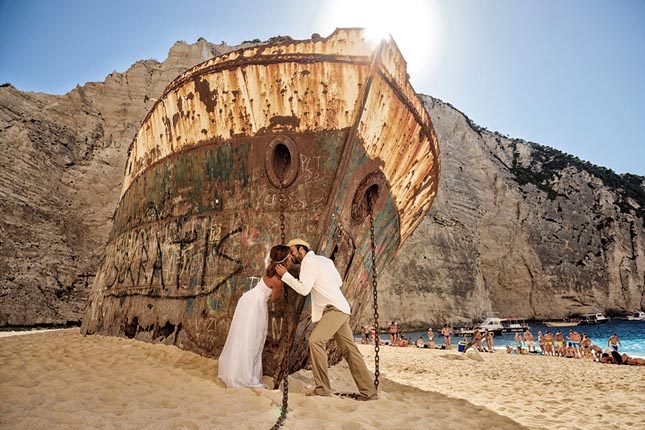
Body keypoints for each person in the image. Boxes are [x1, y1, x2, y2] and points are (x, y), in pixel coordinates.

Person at [275, 238, 378, 401]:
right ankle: (369, 392)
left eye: (293, 251)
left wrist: (285, 275)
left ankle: (322, 388)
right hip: (341, 307)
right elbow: (338, 282)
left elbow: (303, 289)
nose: (291, 255)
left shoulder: (308, 263)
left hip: (334, 310)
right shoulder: (325, 261)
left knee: (315, 341)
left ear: (302, 250)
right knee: (350, 351)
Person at [218, 244, 289, 388]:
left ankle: (234, 370)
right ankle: (244, 374)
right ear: (285, 261)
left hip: (248, 299)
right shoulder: (278, 280)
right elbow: (274, 299)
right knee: (253, 339)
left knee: (242, 336)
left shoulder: (269, 271)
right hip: (256, 305)